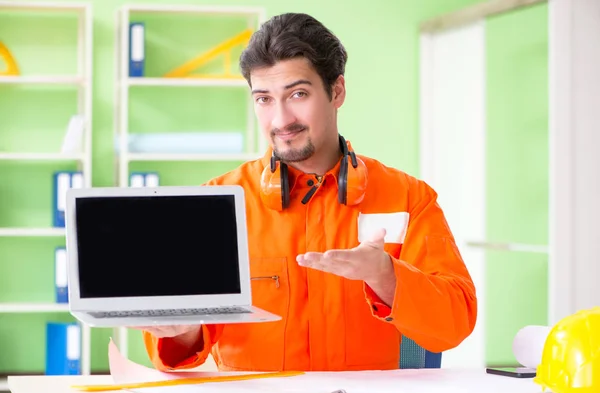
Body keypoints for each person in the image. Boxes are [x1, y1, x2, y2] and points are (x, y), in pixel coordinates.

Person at [136, 12, 477, 373]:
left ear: (337, 91)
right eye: (264, 99)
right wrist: (184, 331)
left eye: (298, 94)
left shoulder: (409, 198)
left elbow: (455, 323)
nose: (281, 120)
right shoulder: (216, 203)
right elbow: (181, 344)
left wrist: (386, 277)